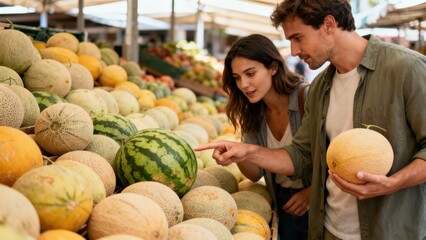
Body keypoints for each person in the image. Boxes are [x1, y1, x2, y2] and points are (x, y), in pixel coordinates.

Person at [194, 0, 426, 239]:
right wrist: (247, 151)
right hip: (330, 229)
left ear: (328, 24)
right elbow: (301, 156)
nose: (293, 51)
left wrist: (395, 183)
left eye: (298, 38)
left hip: (390, 231)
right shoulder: (320, 88)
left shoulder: (406, 69)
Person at [219, 33, 311, 240]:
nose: (243, 84)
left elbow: (336, 153)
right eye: (237, 78)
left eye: (250, 73)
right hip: (280, 201)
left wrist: (313, 192)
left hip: (319, 203)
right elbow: (254, 174)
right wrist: (236, 154)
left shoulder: (307, 97)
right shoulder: (252, 110)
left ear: (273, 67)